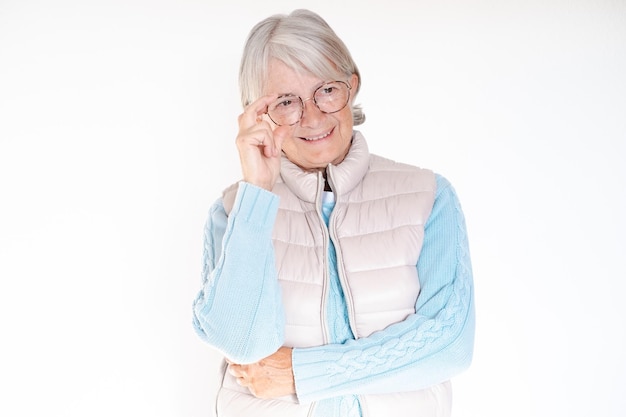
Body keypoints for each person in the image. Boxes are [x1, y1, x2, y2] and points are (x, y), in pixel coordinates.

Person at [192, 9, 475, 417]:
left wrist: (301, 374)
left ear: (351, 86)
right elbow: (241, 343)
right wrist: (256, 193)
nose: (312, 117)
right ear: (259, 114)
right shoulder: (234, 213)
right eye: (287, 102)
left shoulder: (429, 197)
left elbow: (449, 345)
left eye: (326, 90)